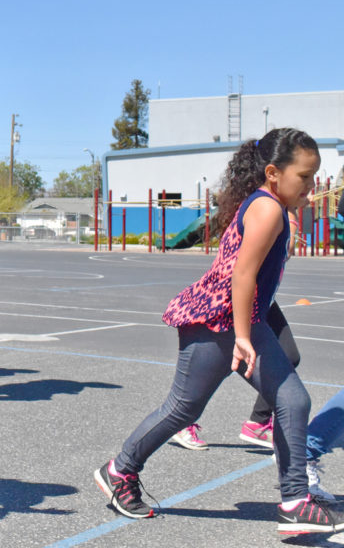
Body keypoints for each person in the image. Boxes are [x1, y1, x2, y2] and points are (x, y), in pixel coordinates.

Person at [93, 127, 341, 536]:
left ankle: (296, 501)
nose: (311, 185)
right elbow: (242, 275)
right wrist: (243, 337)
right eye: (304, 177)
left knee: (293, 400)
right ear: (274, 173)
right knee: (182, 409)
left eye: (315, 177)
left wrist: (248, 330)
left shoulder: (273, 205)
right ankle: (120, 470)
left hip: (239, 321)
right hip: (217, 324)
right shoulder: (266, 210)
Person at [170, 297, 299, 452]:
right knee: (223, 359)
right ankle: (180, 418)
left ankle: (259, 421)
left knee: (288, 356)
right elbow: (240, 276)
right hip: (239, 300)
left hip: (264, 298)